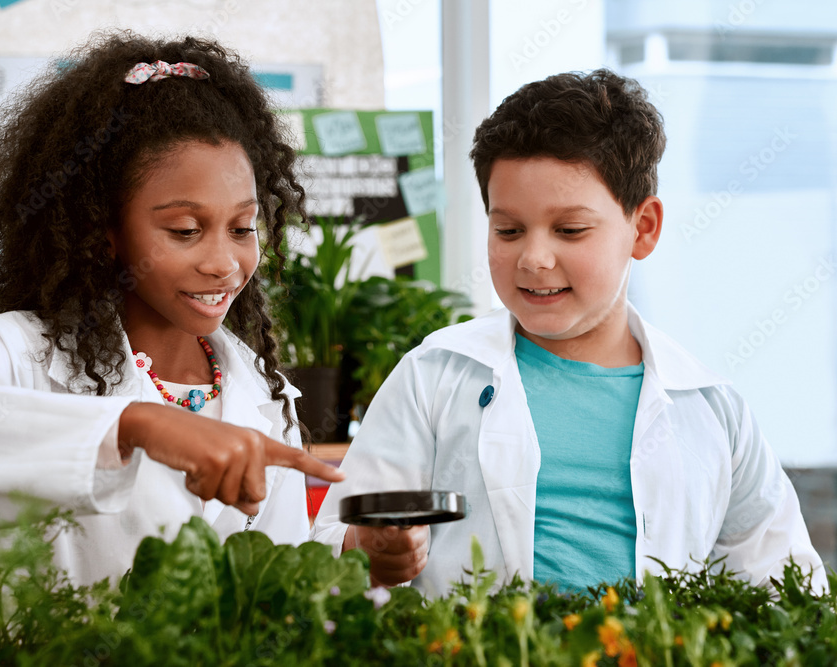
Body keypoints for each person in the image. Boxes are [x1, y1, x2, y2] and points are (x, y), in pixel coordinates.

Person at [313, 69, 828, 597]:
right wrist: (367, 550)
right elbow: (330, 544)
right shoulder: (433, 377)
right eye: (508, 230)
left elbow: (784, 586)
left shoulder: (714, 410)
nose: (534, 259)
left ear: (643, 228)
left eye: (570, 230)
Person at [0, 31, 343, 587]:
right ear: (103, 230)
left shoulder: (263, 395)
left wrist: (357, 554)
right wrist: (131, 425)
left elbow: (276, 572)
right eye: (185, 230)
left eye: (242, 227)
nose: (223, 262)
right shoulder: (19, 353)